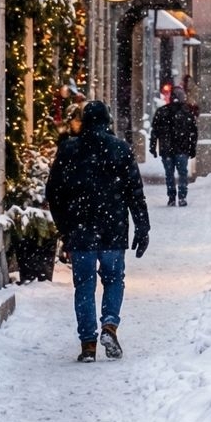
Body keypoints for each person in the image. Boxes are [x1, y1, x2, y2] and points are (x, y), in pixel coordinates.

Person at [45, 101, 150, 362]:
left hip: (80, 231)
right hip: (112, 228)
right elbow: (134, 193)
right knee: (114, 279)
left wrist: (65, 227)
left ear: (84, 122)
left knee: (84, 286)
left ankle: (88, 344)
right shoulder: (121, 150)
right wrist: (142, 227)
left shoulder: (69, 150)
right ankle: (110, 324)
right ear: (107, 122)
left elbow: (54, 192)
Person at [149, 88, 199, 206]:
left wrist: (153, 146)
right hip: (182, 148)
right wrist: (192, 148)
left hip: (167, 149)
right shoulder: (187, 113)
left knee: (169, 174)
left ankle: (172, 197)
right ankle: (182, 197)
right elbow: (193, 132)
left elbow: (155, 131)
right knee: (182, 173)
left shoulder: (162, 112)